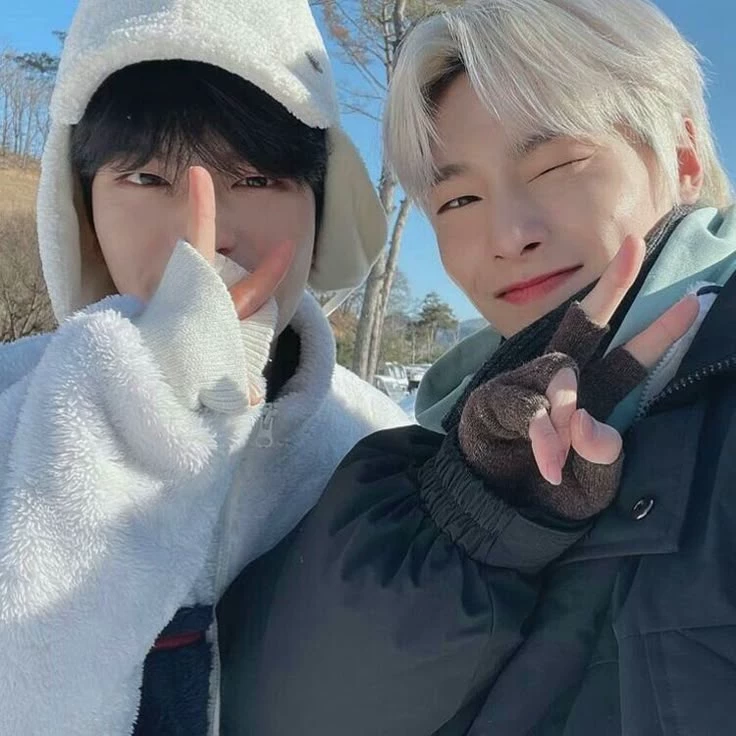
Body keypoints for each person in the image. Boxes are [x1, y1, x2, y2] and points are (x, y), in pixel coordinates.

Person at [217, 1, 736, 734]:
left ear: (682, 158)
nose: (507, 235)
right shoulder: (441, 442)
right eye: (459, 198)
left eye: (558, 164)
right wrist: (476, 511)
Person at [0, 0, 409, 733]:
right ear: (81, 208)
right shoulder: (12, 407)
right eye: (147, 178)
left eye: (256, 179)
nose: (204, 232)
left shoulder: (377, 450)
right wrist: (132, 412)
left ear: (319, 207)